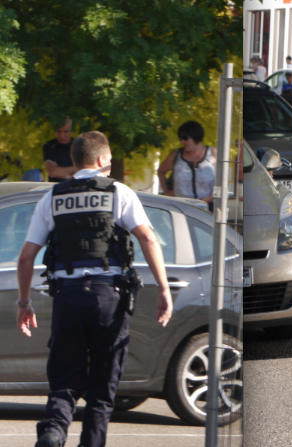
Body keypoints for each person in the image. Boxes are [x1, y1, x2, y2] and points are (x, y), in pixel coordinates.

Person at [17, 131, 173, 447]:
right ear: (102, 160)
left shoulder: (52, 197)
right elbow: (147, 238)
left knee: (64, 380)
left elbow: (26, 257)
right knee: (102, 389)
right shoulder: (120, 193)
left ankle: (53, 431)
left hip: (67, 297)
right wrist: (163, 289)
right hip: (108, 298)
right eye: (111, 159)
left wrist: (24, 303)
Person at [157, 121, 217, 211]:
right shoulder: (176, 155)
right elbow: (161, 171)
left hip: (207, 209)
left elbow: (223, 181)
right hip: (180, 209)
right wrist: (166, 191)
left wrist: (210, 198)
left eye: (185, 138)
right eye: (180, 138)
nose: (182, 141)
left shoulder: (213, 154)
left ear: (195, 136)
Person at [43, 118, 77, 183]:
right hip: (56, 187)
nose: (62, 136)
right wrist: (76, 168)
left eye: (66, 131)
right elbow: (53, 172)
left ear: (71, 132)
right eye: (59, 131)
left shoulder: (78, 145)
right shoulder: (49, 146)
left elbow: (85, 169)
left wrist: (61, 172)